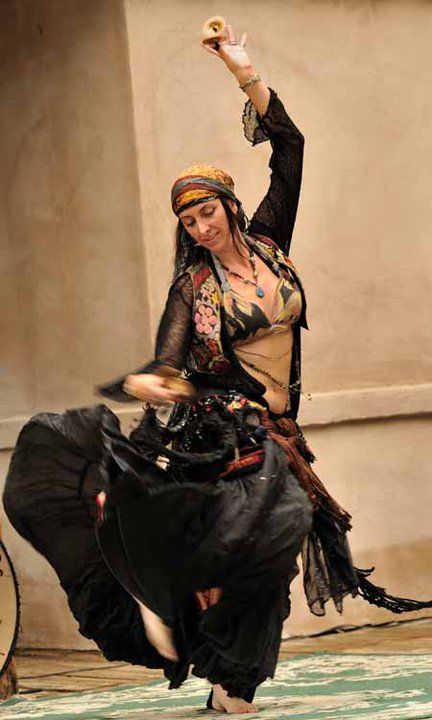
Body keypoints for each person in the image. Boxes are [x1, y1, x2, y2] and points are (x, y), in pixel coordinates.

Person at [3, 23, 432, 716]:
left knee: (267, 562)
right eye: (189, 222)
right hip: (225, 430)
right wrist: (152, 381)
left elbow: (290, 148)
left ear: (228, 206)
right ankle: (171, 613)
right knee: (265, 536)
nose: (201, 228)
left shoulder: (271, 246)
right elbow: (170, 364)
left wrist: (242, 69)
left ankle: (228, 687)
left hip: (280, 429)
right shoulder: (192, 289)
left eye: (208, 212)